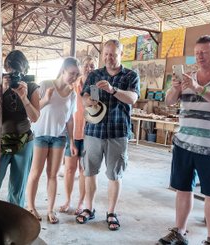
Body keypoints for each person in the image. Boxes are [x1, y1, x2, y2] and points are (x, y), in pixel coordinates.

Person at [157, 35, 210, 245]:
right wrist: (175, 87)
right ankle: (180, 232)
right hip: (184, 143)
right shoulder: (188, 75)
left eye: (204, 53)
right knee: (182, 189)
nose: (199, 57)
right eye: (196, 53)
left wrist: (197, 88)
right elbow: (168, 102)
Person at [76, 39, 140, 231]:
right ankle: (89, 208)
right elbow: (84, 97)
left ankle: (111, 212)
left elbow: (133, 98)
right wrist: (89, 102)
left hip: (117, 132)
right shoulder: (95, 74)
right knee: (90, 172)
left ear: (121, 55)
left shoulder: (130, 75)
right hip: (93, 131)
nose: (108, 58)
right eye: (105, 54)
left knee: (114, 174)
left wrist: (113, 90)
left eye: (113, 54)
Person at [0, 50, 40, 207]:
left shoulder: (32, 86)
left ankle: (14, 220)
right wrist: (1, 89)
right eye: (10, 71)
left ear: (24, 71)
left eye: (17, 73)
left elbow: (34, 117)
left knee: (17, 189)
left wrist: (24, 97)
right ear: (6, 69)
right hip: (1, 140)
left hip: (24, 140)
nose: (14, 75)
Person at [25, 57, 80, 224]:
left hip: (59, 137)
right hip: (41, 134)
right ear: (63, 71)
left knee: (53, 175)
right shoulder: (45, 84)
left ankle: (50, 210)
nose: (74, 77)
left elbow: (70, 119)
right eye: (71, 73)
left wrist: (72, 141)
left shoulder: (72, 94)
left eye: (77, 74)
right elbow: (34, 111)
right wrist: (46, 100)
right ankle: (31, 207)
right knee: (35, 173)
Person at [59, 56, 97, 215]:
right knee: (69, 169)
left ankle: (81, 203)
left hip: (88, 134)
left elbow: (95, 109)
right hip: (72, 133)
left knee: (83, 170)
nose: (89, 68)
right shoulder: (73, 84)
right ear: (81, 68)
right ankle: (67, 200)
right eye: (87, 65)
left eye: (92, 66)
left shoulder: (95, 87)